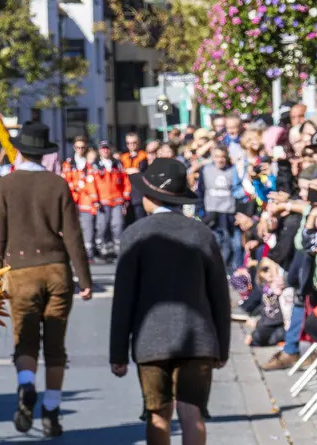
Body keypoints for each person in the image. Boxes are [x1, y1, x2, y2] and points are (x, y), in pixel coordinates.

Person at [110, 158, 230, 445]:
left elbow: (124, 299)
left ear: (150, 196)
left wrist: (117, 353)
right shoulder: (202, 233)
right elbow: (220, 296)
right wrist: (221, 346)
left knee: (158, 414)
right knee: (193, 414)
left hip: (151, 340)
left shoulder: (135, 235)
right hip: (198, 339)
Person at [0, 122, 93, 437]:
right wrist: (84, 278)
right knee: (56, 345)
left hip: (21, 271)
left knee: (25, 337)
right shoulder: (57, 184)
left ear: (20, 150)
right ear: (44, 152)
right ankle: (51, 409)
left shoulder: (5, 185)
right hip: (56, 269)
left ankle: (26, 385)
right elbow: (73, 235)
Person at [92, 141, 130, 260]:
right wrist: (95, 199)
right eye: (103, 148)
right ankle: (102, 249)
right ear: (99, 150)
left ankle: (117, 248)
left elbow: (125, 181)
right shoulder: (95, 165)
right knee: (102, 226)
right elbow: (91, 183)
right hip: (102, 201)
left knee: (117, 225)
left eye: (107, 148)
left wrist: (126, 197)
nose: (105, 150)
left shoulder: (117, 164)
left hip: (117, 200)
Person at [120, 132, 150, 225]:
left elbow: (140, 170)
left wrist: (126, 170)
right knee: (128, 221)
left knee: (140, 220)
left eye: (134, 143)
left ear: (138, 143)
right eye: (129, 143)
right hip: (126, 193)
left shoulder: (143, 156)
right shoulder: (123, 157)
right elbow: (120, 171)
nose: (131, 145)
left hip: (138, 193)